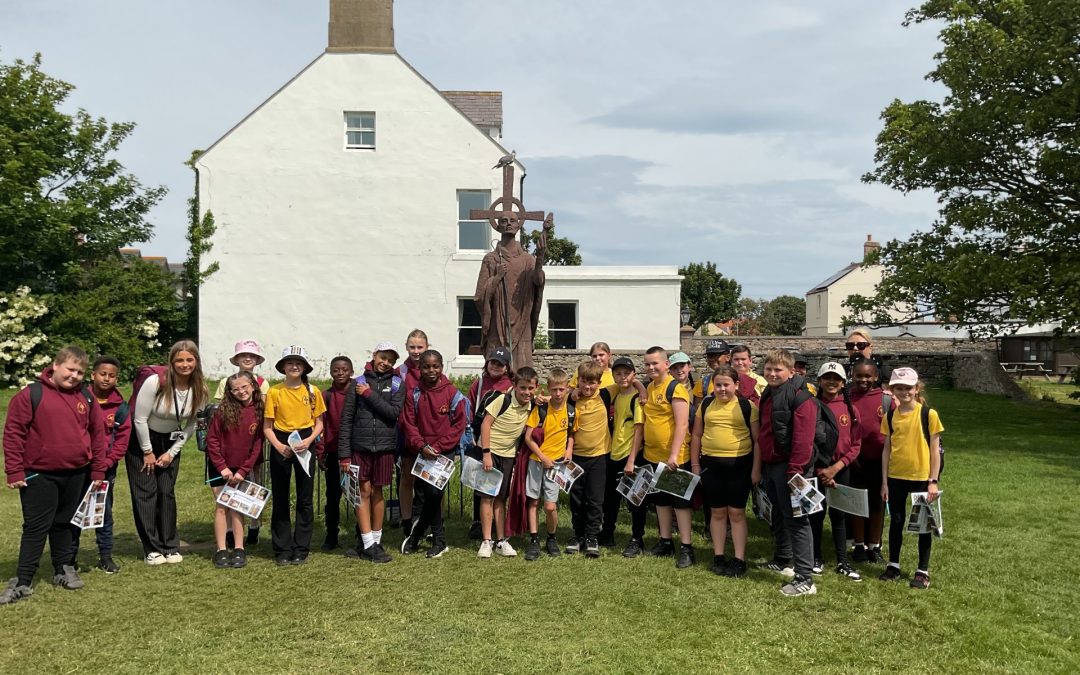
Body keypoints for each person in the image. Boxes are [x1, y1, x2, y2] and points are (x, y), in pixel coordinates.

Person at [1, 346, 109, 605]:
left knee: (65, 523)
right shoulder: (31, 395)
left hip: (76, 472)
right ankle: (23, 580)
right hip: (39, 474)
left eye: (80, 372)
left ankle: (63, 568)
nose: (74, 376)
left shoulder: (87, 397)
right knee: (36, 527)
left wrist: (98, 469)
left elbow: (97, 433)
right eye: (70, 369)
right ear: (56, 365)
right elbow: (14, 433)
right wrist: (15, 470)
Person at [129, 340, 208, 566]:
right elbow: (139, 419)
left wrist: (172, 453)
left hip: (171, 441)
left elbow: (192, 424)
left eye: (189, 360)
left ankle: (170, 545)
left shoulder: (199, 388)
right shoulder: (156, 382)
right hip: (143, 440)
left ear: (196, 362)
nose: (185, 365)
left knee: (166, 492)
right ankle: (151, 548)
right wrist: (147, 452)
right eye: (179, 360)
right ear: (172, 362)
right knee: (146, 492)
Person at [689, 365, 760, 578]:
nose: (722, 389)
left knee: (736, 513)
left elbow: (757, 442)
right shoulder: (706, 405)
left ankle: (739, 559)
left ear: (736, 385)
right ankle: (718, 556)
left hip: (740, 465)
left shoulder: (747, 407)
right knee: (717, 512)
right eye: (718, 385)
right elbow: (696, 436)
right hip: (711, 466)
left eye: (726, 385)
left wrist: (756, 469)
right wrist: (695, 465)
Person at [758, 348, 818, 596]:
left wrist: (795, 471)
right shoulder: (769, 393)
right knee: (780, 515)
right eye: (769, 369)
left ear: (791, 371)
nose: (772, 374)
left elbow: (804, 439)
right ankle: (783, 558)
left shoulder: (801, 398)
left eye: (778, 370)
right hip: (771, 464)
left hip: (792, 468)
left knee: (798, 521)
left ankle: (805, 577)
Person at [339, 342, 404, 563]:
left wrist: (368, 395)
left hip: (384, 448)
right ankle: (367, 543)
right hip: (361, 447)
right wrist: (344, 455)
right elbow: (346, 420)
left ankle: (376, 540)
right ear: (374, 355)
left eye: (390, 360)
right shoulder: (357, 382)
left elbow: (393, 413)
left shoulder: (396, 384)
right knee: (363, 491)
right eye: (382, 357)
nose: (385, 363)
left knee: (378, 492)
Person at [400, 350, 469, 559]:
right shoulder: (413, 393)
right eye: (427, 367)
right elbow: (408, 423)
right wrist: (421, 446)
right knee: (424, 494)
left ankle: (420, 535)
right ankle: (437, 540)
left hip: (442, 453)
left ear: (441, 367)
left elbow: (459, 424)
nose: (431, 370)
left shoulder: (452, 393)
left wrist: (438, 447)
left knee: (435, 494)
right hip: (421, 452)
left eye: (435, 366)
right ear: (420, 368)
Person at [879, 367, 943, 590]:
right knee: (896, 522)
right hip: (896, 476)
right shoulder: (890, 416)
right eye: (899, 388)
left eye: (908, 388)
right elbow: (886, 449)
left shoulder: (928, 414)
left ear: (916, 389)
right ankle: (893, 564)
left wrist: (932, 481)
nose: (903, 392)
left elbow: (935, 450)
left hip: (921, 477)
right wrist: (885, 481)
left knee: (923, 525)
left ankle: (922, 570)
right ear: (892, 390)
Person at [263, 345, 326, 566]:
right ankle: (282, 547)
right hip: (281, 441)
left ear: (305, 367)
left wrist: (309, 441)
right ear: (283, 367)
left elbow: (319, 423)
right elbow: (267, 426)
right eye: (290, 363)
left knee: (305, 497)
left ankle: (301, 547)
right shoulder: (275, 392)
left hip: (305, 441)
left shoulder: (313, 391)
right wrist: (279, 446)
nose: (294, 366)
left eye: (298, 363)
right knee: (280, 497)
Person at [70, 355, 131, 575]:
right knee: (73, 511)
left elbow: (122, 439)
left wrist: (108, 462)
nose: (106, 379)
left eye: (111, 376)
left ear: (117, 379)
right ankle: (70, 557)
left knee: (102, 512)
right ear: (92, 375)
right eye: (102, 374)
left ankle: (105, 556)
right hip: (77, 467)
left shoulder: (120, 407)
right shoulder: (78, 399)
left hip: (105, 469)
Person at [639, 346, 695, 569]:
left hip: (675, 457)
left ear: (666, 365)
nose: (651, 367)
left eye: (655, 363)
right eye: (647, 364)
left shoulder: (675, 388)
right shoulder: (649, 387)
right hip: (652, 455)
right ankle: (665, 541)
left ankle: (686, 547)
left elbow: (682, 423)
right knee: (660, 501)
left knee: (680, 504)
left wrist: (673, 454)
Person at [808, 362, 863, 581]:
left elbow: (856, 443)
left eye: (836, 379)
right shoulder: (811, 406)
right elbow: (808, 441)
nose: (831, 382)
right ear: (819, 381)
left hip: (841, 469)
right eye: (827, 378)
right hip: (817, 470)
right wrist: (823, 470)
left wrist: (836, 467)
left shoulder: (850, 408)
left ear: (843, 383)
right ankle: (816, 558)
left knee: (839, 516)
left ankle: (842, 560)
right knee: (816, 515)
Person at [475, 366, 537, 558]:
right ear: (515, 386)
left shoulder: (531, 405)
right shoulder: (503, 400)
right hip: (490, 451)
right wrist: (486, 453)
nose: (527, 392)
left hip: (509, 455)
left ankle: (501, 540)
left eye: (531, 388)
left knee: (501, 497)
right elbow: (486, 424)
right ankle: (486, 541)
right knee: (487, 496)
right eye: (523, 388)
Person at [213, 340, 269, 547]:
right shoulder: (225, 382)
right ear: (236, 359)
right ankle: (230, 531)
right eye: (243, 355)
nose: (248, 359)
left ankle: (254, 526)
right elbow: (220, 408)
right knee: (227, 493)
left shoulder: (263, 382)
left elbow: (263, 409)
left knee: (253, 489)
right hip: (229, 443)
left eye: (252, 356)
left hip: (252, 443)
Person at [206, 372, 265, 569]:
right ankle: (221, 549)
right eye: (235, 389)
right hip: (220, 466)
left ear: (253, 386)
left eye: (244, 387)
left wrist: (243, 470)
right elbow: (212, 441)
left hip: (241, 468)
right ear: (229, 391)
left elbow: (257, 445)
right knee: (222, 507)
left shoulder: (259, 410)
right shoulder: (222, 410)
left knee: (238, 507)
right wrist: (222, 467)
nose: (241, 391)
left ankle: (239, 548)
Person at [566, 360, 618, 558]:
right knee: (577, 499)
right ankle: (578, 535)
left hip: (599, 457)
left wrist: (643, 390)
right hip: (575, 456)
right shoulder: (572, 400)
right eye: (583, 382)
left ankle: (592, 537)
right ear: (577, 381)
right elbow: (551, 396)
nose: (587, 387)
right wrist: (571, 392)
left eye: (592, 383)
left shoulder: (606, 394)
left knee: (595, 499)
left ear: (599, 382)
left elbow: (631, 382)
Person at [521, 368, 572, 560]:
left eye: (561, 389)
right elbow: (528, 438)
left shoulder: (570, 409)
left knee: (550, 506)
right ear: (548, 389)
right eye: (554, 390)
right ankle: (534, 540)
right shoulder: (540, 409)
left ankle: (551, 538)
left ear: (567, 388)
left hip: (557, 465)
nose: (557, 394)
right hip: (537, 461)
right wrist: (542, 457)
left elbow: (571, 433)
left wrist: (569, 450)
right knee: (533, 501)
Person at [848, 360, 894, 563]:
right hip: (853, 459)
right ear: (852, 375)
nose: (863, 380)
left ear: (875, 377)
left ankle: (874, 546)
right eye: (859, 375)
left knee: (877, 504)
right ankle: (858, 545)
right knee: (856, 503)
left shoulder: (885, 400)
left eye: (868, 376)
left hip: (879, 460)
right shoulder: (847, 398)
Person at [466, 347, 513, 539]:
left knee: (500, 483)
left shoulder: (510, 385)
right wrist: (470, 432)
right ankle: (478, 521)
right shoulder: (478, 384)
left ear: (507, 367)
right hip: (479, 437)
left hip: (502, 438)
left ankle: (497, 521)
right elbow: (470, 407)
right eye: (493, 362)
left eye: (500, 364)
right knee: (480, 481)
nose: (495, 366)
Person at [604, 357, 646, 556]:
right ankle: (608, 532)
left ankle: (637, 539)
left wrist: (631, 459)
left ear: (634, 375)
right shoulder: (615, 395)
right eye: (618, 373)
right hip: (614, 452)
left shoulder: (637, 398)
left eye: (626, 373)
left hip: (631, 455)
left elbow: (639, 429)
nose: (622, 377)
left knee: (635, 500)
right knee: (610, 498)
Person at [319, 355, 353, 551]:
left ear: (351, 372)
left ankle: (360, 533)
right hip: (332, 452)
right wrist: (320, 451)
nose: (340, 373)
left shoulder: (357, 392)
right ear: (331, 372)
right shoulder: (326, 396)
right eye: (336, 370)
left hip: (354, 451)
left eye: (344, 370)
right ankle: (331, 535)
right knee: (332, 496)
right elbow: (320, 424)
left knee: (358, 495)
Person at [397, 329, 430, 538]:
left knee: (431, 479)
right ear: (406, 347)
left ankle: (432, 520)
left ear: (427, 347)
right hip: (406, 432)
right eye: (412, 347)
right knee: (407, 477)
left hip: (429, 433)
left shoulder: (433, 368)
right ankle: (407, 520)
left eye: (420, 347)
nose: (416, 351)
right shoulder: (400, 372)